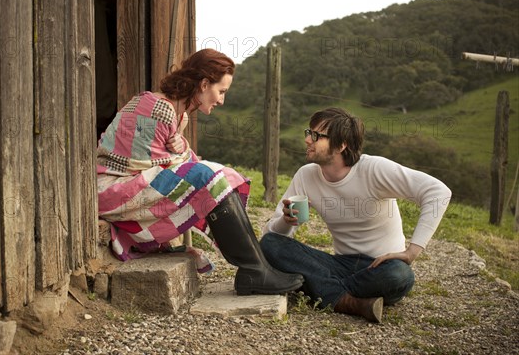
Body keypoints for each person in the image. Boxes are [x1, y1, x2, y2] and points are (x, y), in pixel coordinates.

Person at [97, 48, 303, 295]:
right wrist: (181, 152)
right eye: (221, 91)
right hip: (112, 189)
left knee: (220, 175)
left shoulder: (177, 113)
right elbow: (147, 165)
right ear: (204, 84)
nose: (221, 100)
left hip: (133, 187)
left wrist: (182, 148)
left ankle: (257, 268)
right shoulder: (155, 107)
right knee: (207, 175)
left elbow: (177, 162)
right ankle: (255, 270)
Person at [260, 107, 452, 322]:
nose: (307, 140)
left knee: (400, 276)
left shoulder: (374, 169)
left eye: (316, 136)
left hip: (381, 266)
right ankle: (349, 301)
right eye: (308, 132)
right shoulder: (306, 176)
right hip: (341, 265)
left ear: (341, 145)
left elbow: (438, 192)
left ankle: (325, 290)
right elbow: (273, 236)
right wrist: (287, 222)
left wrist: (412, 252)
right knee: (270, 245)